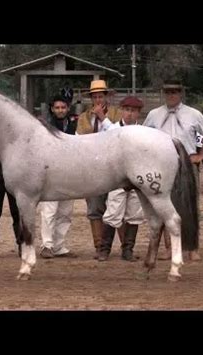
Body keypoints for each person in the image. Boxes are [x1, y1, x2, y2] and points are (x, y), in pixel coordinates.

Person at [143, 80, 203, 261]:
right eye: (168, 92)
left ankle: (192, 248)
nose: (171, 95)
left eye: (175, 92)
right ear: (163, 93)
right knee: (165, 206)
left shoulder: (193, 114)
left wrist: (200, 156)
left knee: (189, 205)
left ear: (181, 93)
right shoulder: (154, 115)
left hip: (186, 162)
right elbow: (143, 137)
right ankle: (170, 248)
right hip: (161, 164)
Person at [76, 79, 122, 259]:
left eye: (100, 96)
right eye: (94, 96)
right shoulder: (83, 117)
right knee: (95, 207)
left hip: (114, 167)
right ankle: (99, 247)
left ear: (107, 96)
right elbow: (78, 141)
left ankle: (126, 248)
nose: (97, 100)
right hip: (92, 167)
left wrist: (103, 118)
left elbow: (119, 136)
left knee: (118, 206)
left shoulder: (117, 114)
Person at [98, 96, 145, 262]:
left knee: (134, 214)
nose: (129, 114)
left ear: (138, 113)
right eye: (127, 110)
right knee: (113, 212)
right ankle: (104, 249)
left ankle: (128, 250)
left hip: (136, 178)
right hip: (117, 177)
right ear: (122, 111)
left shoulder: (144, 132)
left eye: (133, 111)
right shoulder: (113, 131)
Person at [39, 94, 78, 258]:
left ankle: (59, 246)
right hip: (51, 174)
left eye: (63, 107)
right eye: (57, 108)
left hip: (69, 173)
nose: (60, 110)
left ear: (68, 108)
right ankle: (46, 245)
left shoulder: (75, 124)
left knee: (66, 212)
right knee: (49, 211)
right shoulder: (45, 127)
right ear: (52, 109)